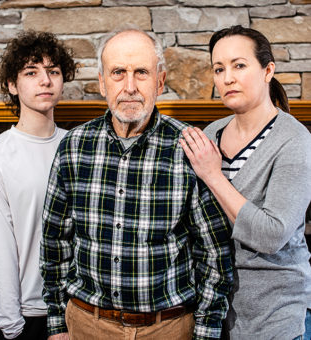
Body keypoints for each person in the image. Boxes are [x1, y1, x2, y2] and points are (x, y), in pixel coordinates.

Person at [40, 28, 233, 340]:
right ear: (102, 82)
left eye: (141, 72)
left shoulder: (189, 147)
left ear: (159, 81)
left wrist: (207, 331)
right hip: (87, 325)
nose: (129, 87)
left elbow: (214, 254)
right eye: (118, 73)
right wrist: (57, 323)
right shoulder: (74, 146)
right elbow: (54, 243)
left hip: (168, 328)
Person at [180, 25, 311, 340]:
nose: (227, 78)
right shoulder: (211, 134)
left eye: (239, 65)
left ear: (268, 71)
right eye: (218, 69)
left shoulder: (294, 141)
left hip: (275, 319)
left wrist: (212, 174)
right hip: (214, 315)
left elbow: (271, 234)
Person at [0, 30, 77, 339]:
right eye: (31, 72)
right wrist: (12, 326)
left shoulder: (77, 147)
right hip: (25, 317)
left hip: (78, 312)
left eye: (53, 72)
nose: (45, 81)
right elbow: (0, 250)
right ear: (12, 85)